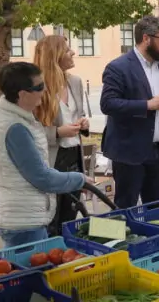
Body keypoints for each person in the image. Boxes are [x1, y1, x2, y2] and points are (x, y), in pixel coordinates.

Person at [0, 62, 93, 248]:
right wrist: (79, 179)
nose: (45, 91)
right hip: (22, 220)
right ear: (22, 94)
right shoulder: (15, 127)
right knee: (33, 272)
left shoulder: (12, 115)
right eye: (40, 87)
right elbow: (41, 177)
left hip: (19, 214)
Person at [100, 16, 159, 208]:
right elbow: (108, 104)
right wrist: (147, 105)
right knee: (126, 208)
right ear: (146, 38)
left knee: (156, 210)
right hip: (130, 152)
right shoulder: (118, 67)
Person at [34, 35, 90, 236]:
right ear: (54, 56)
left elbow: (77, 114)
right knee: (51, 217)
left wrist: (83, 123)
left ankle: (65, 253)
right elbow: (30, 130)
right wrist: (57, 132)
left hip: (74, 155)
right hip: (52, 159)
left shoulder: (75, 82)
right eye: (67, 50)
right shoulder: (37, 88)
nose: (73, 52)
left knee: (70, 215)